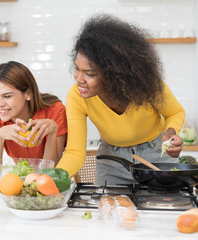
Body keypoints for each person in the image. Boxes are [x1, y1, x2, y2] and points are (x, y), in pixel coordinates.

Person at [56, 14, 185, 185]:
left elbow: (175, 112)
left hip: (156, 156)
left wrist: (171, 132)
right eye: (77, 69)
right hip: (112, 161)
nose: (79, 79)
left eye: (90, 74)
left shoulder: (148, 86)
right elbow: (74, 152)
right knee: (110, 210)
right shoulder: (77, 96)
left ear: (114, 74)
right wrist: (51, 179)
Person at [0, 61, 68, 184]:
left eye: (7, 96)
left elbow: (50, 174)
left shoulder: (55, 111)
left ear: (27, 94)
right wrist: (0, 136)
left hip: (52, 187)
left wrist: (53, 133)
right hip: (25, 185)